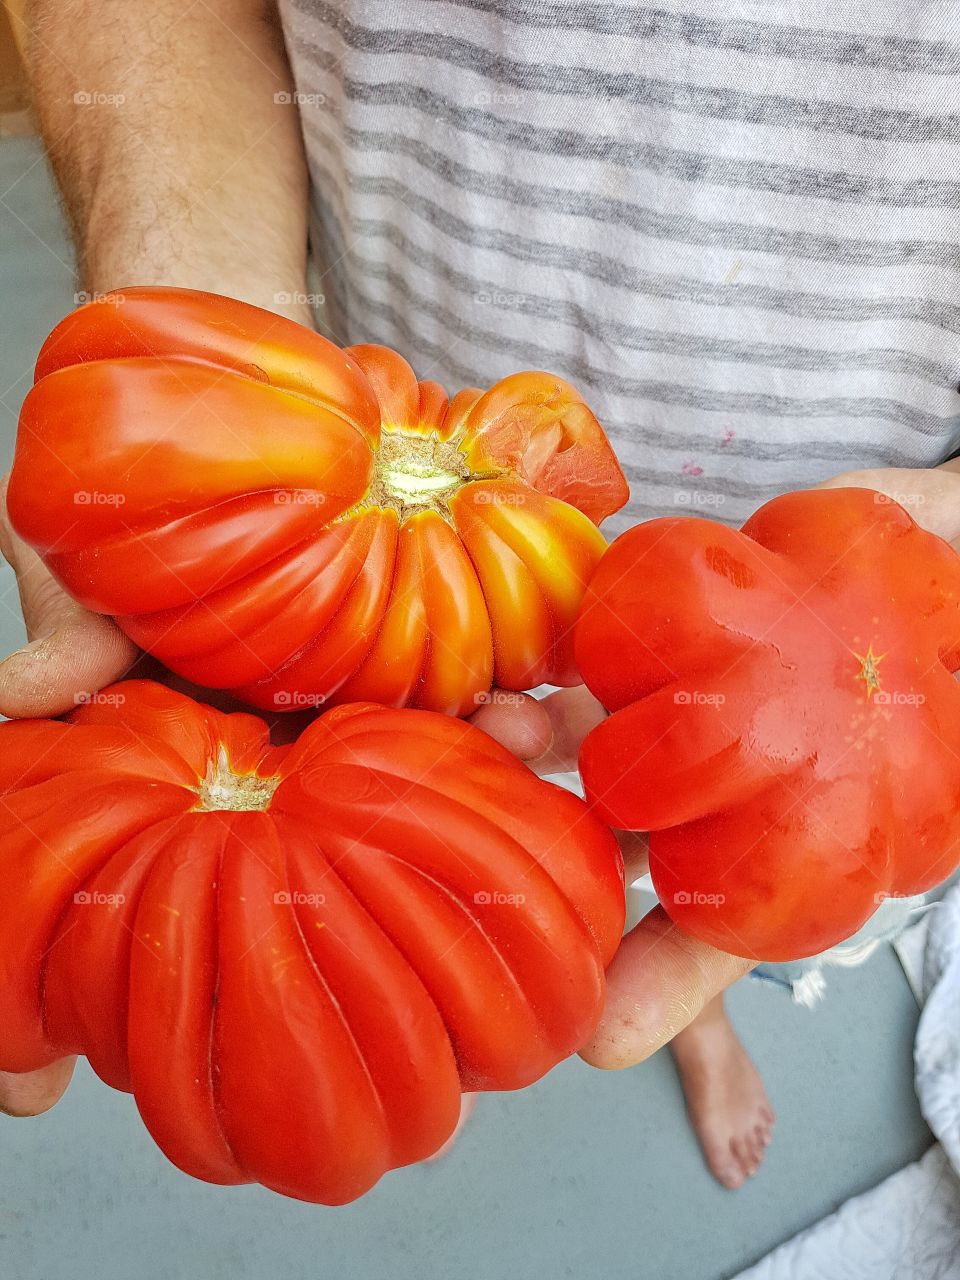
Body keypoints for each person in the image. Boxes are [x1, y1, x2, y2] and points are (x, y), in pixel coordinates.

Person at [3, 0, 959, 1192]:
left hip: (842, 532)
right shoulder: (456, 502)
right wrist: (194, 389)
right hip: (374, 422)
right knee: (655, 865)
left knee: (715, 888)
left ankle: (713, 1006)